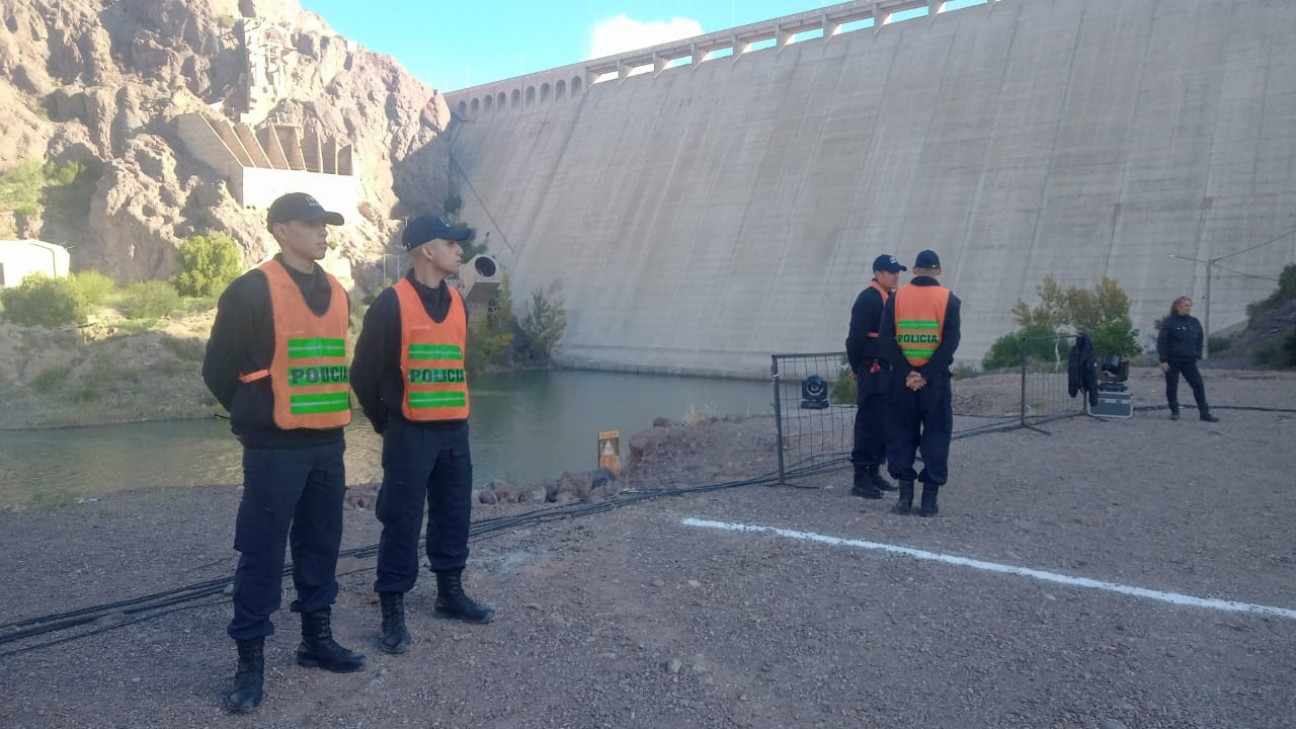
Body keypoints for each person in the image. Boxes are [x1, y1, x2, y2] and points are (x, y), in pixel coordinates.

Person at [202, 192, 365, 715]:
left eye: (325, 224)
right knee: (263, 554)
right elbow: (217, 368)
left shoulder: (337, 290)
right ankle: (250, 663)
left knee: (321, 547)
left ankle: (316, 641)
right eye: (309, 223)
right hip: (274, 448)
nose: (322, 231)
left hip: (327, 444)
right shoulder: (250, 290)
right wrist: (256, 413)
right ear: (279, 230)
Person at [351, 214, 496, 657]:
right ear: (427, 251)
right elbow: (363, 373)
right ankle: (392, 609)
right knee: (401, 521)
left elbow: (458, 362)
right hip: (410, 435)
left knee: (454, 516)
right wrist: (389, 422)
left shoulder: (457, 300)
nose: (460, 250)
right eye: (452, 243)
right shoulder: (390, 304)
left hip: (454, 432)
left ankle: (449, 593)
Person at [877, 249, 961, 517]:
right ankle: (928, 502)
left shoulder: (896, 298)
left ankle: (904, 499)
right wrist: (926, 374)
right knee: (936, 435)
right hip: (934, 382)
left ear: (914, 270)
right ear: (937, 271)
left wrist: (908, 373)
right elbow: (950, 344)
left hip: (902, 382)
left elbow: (886, 341)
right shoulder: (949, 299)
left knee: (900, 434)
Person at [844, 254, 907, 498]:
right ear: (878, 273)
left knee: (882, 423)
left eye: (897, 272)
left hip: (886, 369)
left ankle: (874, 472)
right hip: (871, 368)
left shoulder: (889, 298)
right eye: (891, 272)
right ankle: (860, 478)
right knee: (869, 424)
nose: (895, 277)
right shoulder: (868, 299)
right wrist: (856, 368)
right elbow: (855, 339)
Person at [1157, 296, 1219, 422]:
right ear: (1178, 307)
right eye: (1186, 305)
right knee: (1172, 386)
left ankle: (1204, 413)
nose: (1188, 308)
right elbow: (1162, 341)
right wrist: (1163, 360)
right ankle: (1174, 411)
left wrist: (1198, 354)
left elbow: (1199, 338)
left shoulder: (1194, 322)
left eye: (1189, 305)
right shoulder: (1170, 323)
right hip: (1172, 360)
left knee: (1198, 385)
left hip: (1189, 360)